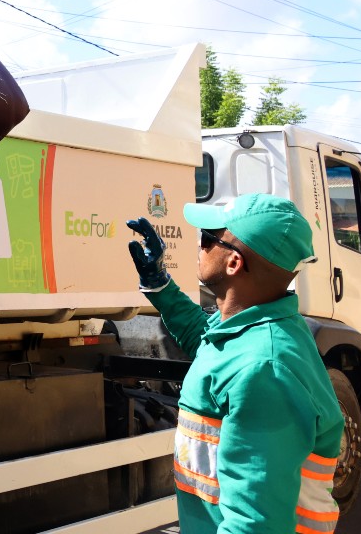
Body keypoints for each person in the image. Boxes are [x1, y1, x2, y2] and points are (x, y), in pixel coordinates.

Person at [126, 194, 344, 534]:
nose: (199, 246)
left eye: (208, 238)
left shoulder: (264, 368)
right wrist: (160, 284)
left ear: (233, 263)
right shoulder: (253, 331)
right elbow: (207, 341)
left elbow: (255, 523)